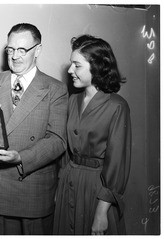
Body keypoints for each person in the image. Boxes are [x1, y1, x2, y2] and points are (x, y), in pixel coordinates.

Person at [0, 23, 68, 235]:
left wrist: (21, 158)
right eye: (10, 50)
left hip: (33, 190)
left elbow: (57, 140)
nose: (15, 56)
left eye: (22, 50)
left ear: (38, 50)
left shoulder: (55, 88)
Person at [53, 34, 132, 235]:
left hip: (97, 190)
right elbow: (64, 151)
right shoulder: (72, 100)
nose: (70, 70)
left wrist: (101, 212)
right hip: (68, 184)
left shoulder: (117, 106)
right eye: (71, 64)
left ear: (96, 67)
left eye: (77, 65)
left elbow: (117, 164)